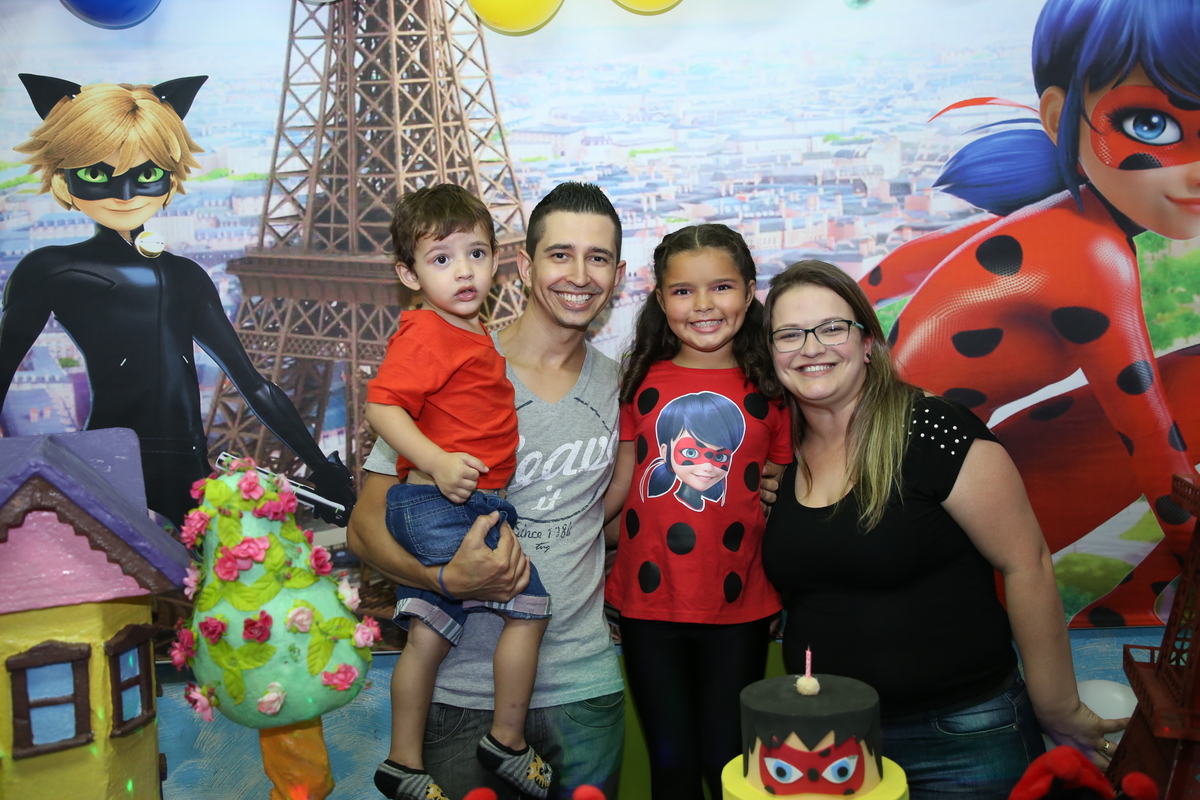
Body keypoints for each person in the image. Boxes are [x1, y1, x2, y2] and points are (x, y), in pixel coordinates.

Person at [857, 0, 1200, 626]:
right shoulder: (1093, 254)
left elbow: (903, 266)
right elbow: (1151, 441)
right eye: (1150, 124)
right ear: (1059, 117)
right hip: (928, 507)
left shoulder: (1054, 217)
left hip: (908, 477)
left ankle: (1131, 604)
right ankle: (1131, 607)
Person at [760, 259, 1127, 800]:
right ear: (771, 353)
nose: (811, 348)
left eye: (832, 328)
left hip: (964, 735)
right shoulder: (780, 457)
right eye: (790, 334)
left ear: (867, 342)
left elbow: (1026, 562)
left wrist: (1057, 706)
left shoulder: (935, 430)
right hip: (831, 744)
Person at [348, 181, 627, 799]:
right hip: (460, 696)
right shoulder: (448, 363)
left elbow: (611, 515)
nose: (579, 275)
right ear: (523, 265)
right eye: (560, 254)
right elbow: (364, 528)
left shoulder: (620, 386)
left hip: (586, 690)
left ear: (618, 275)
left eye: (598, 258)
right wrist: (446, 580)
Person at [1, 74, 354, 527]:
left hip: (183, 458)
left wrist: (322, 467)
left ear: (169, 179)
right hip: (118, 457)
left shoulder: (181, 275)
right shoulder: (52, 268)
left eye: (146, 174)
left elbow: (253, 384)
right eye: (95, 174)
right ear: (63, 180)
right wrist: (320, 467)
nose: (124, 194)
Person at [364, 183, 553, 800]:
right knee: (530, 606)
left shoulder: (465, 334)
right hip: (445, 503)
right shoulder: (428, 334)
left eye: (476, 253)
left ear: (497, 260)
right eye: (441, 259)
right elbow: (381, 407)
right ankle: (507, 740)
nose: (464, 271)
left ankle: (402, 762)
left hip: (438, 504)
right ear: (408, 274)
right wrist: (438, 462)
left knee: (427, 634)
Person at [604, 223, 792, 800]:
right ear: (661, 299)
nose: (704, 305)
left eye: (722, 287)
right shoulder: (639, 380)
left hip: (741, 607)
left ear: (750, 292)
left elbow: (782, 484)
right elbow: (622, 484)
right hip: (647, 605)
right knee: (672, 766)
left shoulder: (774, 387)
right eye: (684, 291)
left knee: (729, 763)